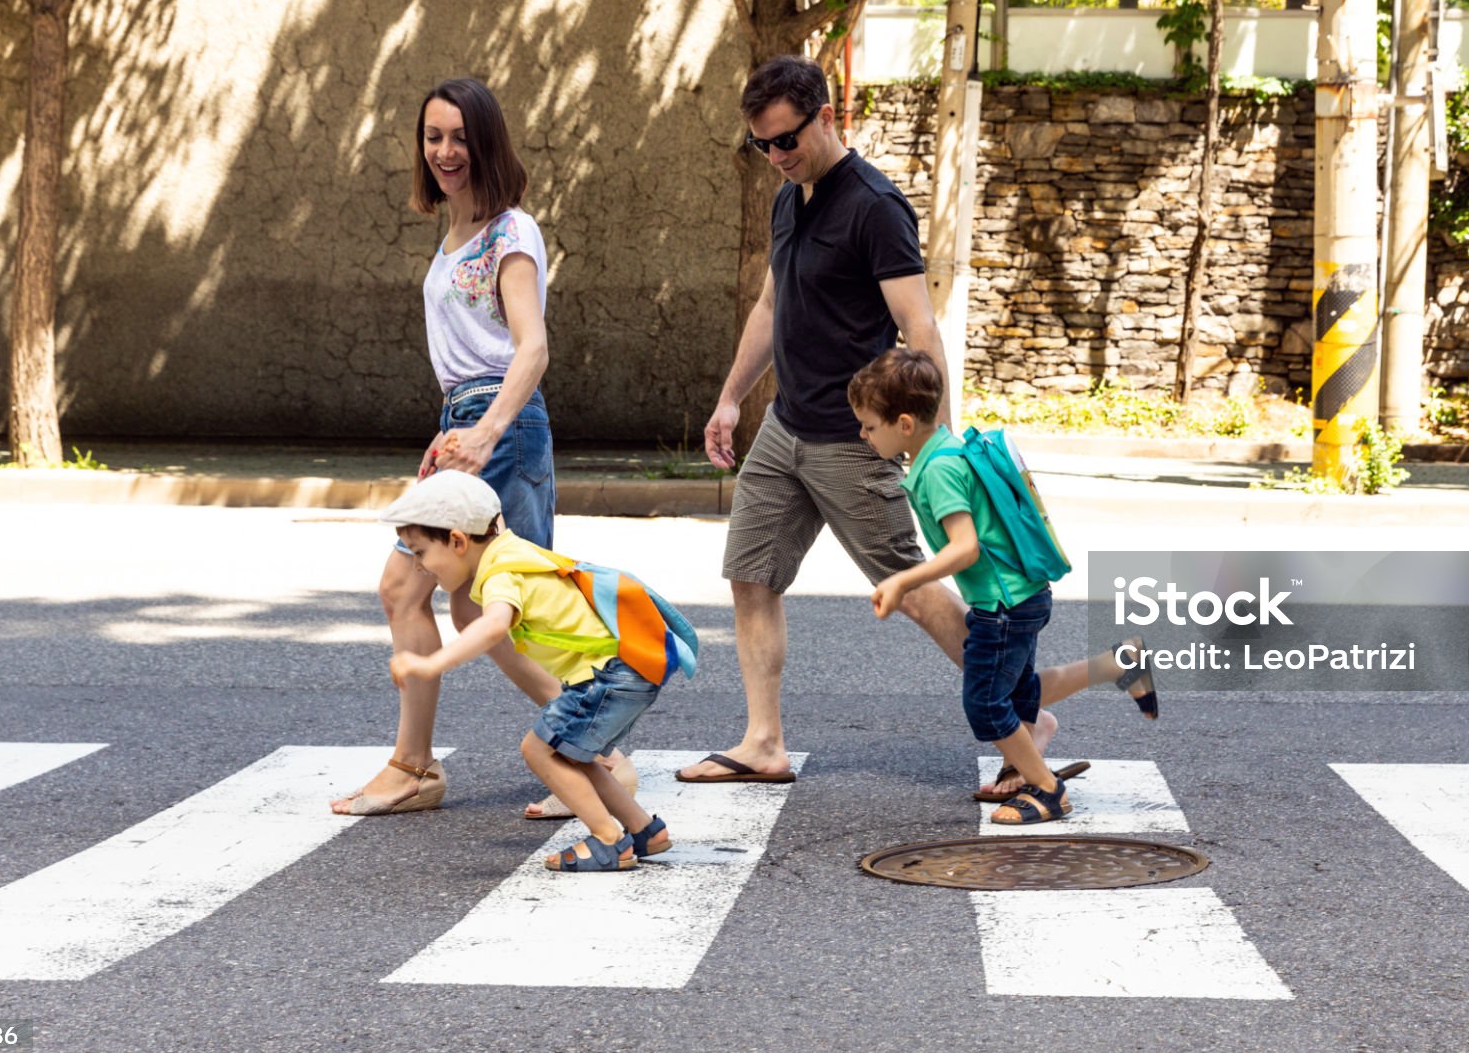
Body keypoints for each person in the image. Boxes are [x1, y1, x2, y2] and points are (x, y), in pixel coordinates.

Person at [680, 56, 1142, 799]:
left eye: (787, 140)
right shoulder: (789, 199)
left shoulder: (875, 206)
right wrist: (732, 397)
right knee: (750, 575)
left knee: (920, 592)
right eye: (762, 145)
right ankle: (763, 741)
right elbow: (771, 305)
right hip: (785, 425)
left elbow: (919, 326)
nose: (776, 156)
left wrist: (939, 443)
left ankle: (1027, 721)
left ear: (826, 117)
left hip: (855, 436)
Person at [330, 76, 635, 815]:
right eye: (433, 137)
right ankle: (571, 752)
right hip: (468, 421)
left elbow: (532, 348)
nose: (445, 151)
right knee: (463, 605)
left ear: (487, 143)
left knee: (468, 601)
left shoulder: (510, 233)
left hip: (503, 423)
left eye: (460, 138)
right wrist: (450, 435)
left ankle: (582, 755)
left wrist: (486, 430)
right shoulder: (455, 235)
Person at [381, 472, 681, 871]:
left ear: (457, 541)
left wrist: (430, 662)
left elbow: (492, 626)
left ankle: (609, 841)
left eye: (420, 553)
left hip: (608, 676)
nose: (419, 567)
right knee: (572, 754)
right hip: (624, 671)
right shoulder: (513, 551)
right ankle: (645, 830)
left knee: (538, 749)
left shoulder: (500, 574)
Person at [851, 348, 1073, 823]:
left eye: (869, 426)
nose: (863, 435)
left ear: (904, 424)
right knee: (1017, 692)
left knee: (985, 704)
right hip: (1023, 595)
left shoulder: (938, 471)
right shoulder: (949, 449)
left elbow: (965, 548)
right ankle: (1026, 768)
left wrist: (903, 579)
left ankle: (1047, 790)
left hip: (1003, 605)